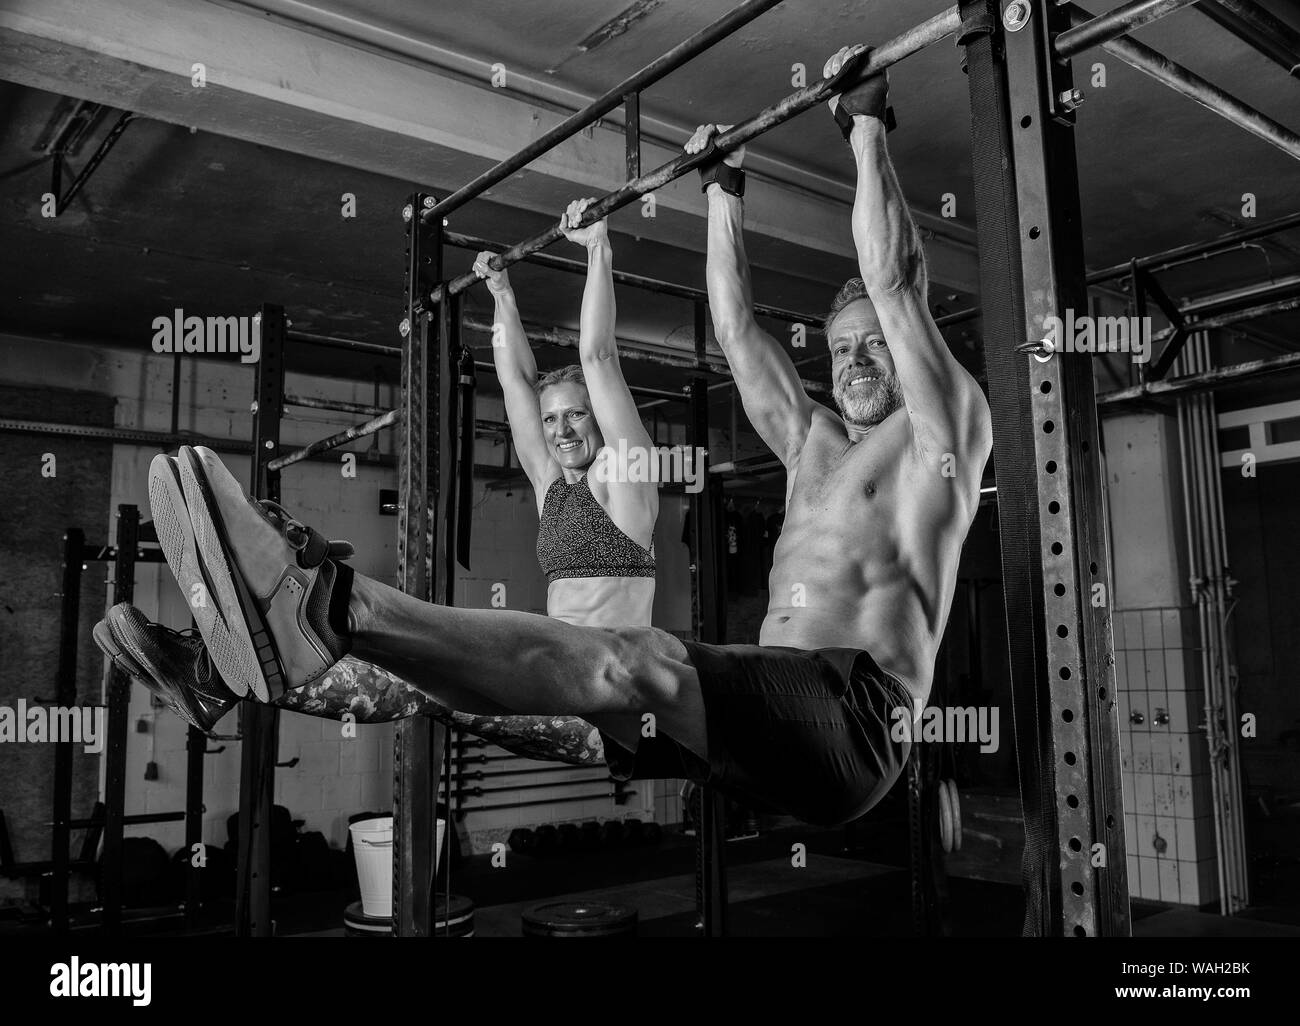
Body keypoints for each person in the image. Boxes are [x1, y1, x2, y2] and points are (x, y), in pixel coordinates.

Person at [149, 47, 992, 827]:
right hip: (762, 721)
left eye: (871, 340)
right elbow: (734, 329)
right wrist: (721, 191)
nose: (853, 357)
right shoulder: (810, 440)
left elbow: (892, 279)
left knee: (629, 660)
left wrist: (865, 126)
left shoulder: (941, 430)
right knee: (486, 687)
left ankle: (328, 598)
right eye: (839, 345)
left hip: (852, 718)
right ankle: (253, 652)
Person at [95, 199, 661, 769]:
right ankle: (212, 673)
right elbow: (515, 381)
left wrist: (597, 248)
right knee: (411, 669)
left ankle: (217, 671)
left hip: (606, 706)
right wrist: (502, 297)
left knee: (426, 682)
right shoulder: (552, 486)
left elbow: (599, 355)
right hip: (543, 673)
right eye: (552, 419)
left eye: (578, 416)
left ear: (602, 421)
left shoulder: (624, 476)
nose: (561, 431)